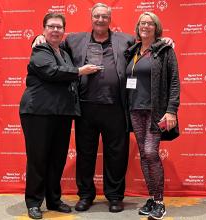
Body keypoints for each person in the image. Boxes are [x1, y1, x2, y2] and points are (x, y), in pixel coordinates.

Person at [33, 3, 173, 213]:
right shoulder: (73, 40)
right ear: (91, 18)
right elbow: (52, 48)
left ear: (110, 19)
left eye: (104, 17)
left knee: (117, 154)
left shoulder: (124, 40)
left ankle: (115, 197)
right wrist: (37, 37)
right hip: (85, 108)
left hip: (116, 107)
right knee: (85, 153)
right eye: (97, 16)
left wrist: (166, 41)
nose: (100, 20)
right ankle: (86, 195)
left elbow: (148, 46)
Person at [19, 13, 99, 219]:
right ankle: (34, 202)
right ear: (44, 30)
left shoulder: (63, 51)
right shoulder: (40, 49)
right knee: (38, 159)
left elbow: (63, 70)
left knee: (57, 159)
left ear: (64, 31)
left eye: (59, 27)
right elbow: (51, 72)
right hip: (38, 112)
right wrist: (80, 71)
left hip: (62, 113)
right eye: (51, 27)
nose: (55, 30)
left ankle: (53, 199)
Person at [125, 12, 180, 219]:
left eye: (149, 23)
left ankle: (159, 202)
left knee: (150, 153)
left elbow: (174, 81)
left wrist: (171, 109)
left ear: (156, 28)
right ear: (137, 27)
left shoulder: (165, 50)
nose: (145, 26)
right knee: (144, 154)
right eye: (142, 23)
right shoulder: (133, 51)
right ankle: (151, 197)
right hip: (135, 110)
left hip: (155, 111)